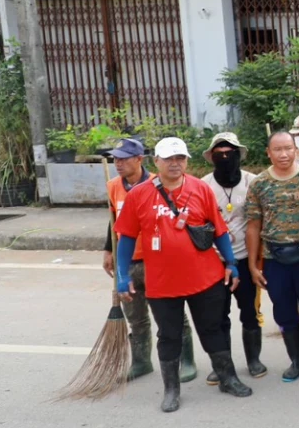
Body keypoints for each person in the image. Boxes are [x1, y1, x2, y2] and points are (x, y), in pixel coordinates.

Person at [112, 137, 250, 412]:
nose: (175, 164)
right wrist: (122, 275)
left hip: (205, 278)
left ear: (187, 161)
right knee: (169, 335)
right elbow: (125, 238)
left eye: (181, 159)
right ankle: (171, 389)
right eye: (169, 159)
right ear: (156, 162)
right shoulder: (139, 195)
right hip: (163, 282)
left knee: (212, 328)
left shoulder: (200, 188)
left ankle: (227, 377)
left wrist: (232, 263)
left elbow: (219, 229)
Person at [103, 138, 193, 382]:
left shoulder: (159, 183)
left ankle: (186, 360)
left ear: (139, 159)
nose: (118, 163)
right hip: (129, 260)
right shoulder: (113, 186)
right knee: (135, 315)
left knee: (172, 315)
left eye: (124, 158)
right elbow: (114, 221)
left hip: (157, 260)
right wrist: (109, 250)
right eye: (116, 159)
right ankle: (142, 361)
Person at [245, 131, 299, 383]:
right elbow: (253, 226)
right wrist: (252, 264)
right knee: (284, 311)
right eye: (277, 149)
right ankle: (297, 360)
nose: (283, 154)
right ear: (268, 153)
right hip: (275, 258)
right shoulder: (259, 184)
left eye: (288, 148)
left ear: (295, 150)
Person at [200, 132, 265, 384]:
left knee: (250, 312)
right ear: (211, 158)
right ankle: (222, 364)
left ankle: (253, 360)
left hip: (246, 259)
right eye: (219, 154)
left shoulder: (252, 182)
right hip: (214, 262)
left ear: (239, 155)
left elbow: (262, 219)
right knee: (218, 316)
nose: (225, 157)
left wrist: (259, 259)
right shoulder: (203, 185)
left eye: (230, 153)